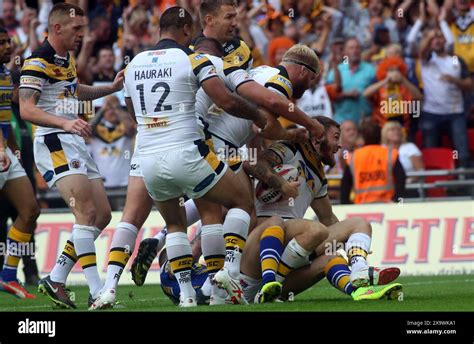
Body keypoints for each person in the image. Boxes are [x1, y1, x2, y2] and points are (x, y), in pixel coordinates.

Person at [92, 6, 272, 309]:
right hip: (187, 150)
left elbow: (133, 110)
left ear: (159, 28)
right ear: (188, 30)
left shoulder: (135, 62)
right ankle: (222, 282)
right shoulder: (194, 58)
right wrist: (259, 116)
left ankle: (123, 290)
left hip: (147, 154)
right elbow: (225, 100)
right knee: (236, 203)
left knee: (166, 223)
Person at [19, 3, 125, 309]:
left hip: (73, 141)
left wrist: (111, 88)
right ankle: (96, 292)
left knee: (102, 215)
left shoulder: (66, 60)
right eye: (77, 29)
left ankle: (56, 277)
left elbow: (74, 91)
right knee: (85, 214)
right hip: (54, 141)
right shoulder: (36, 61)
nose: (83, 34)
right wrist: (66, 122)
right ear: (57, 28)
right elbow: (27, 108)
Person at [242, 116, 402, 303]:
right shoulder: (290, 148)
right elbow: (252, 163)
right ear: (318, 138)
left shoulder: (318, 174)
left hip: (291, 251)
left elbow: (329, 219)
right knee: (314, 230)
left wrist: (353, 246)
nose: (339, 145)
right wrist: (281, 184)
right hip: (257, 251)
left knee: (356, 226)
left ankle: (359, 279)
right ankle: (270, 282)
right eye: (335, 137)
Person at [0, 26, 40, 299]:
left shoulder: (4, 75)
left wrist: (13, 150)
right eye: (2, 42)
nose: (7, 46)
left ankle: (8, 275)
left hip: (5, 153)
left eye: (8, 41)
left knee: (30, 210)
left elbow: (5, 120)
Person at [418, 27, 472, 168]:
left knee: (462, 152)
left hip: (455, 113)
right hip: (431, 114)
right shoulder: (427, 59)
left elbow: (469, 84)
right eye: (434, 38)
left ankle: (463, 184)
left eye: (440, 37)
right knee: (431, 152)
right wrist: (431, 35)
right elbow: (422, 50)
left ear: (445, 40)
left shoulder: (454, 59)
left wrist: (454, 80)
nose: (437, 40)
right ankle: (434, 186)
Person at [340, 120, 406, 204]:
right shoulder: (390, 154)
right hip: (387, 205)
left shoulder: (353, 157)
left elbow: (345, 186)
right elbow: (401, 178)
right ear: (380, 136)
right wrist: (396, 200)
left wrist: (346, 205)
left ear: (363, 137)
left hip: (361, 207)